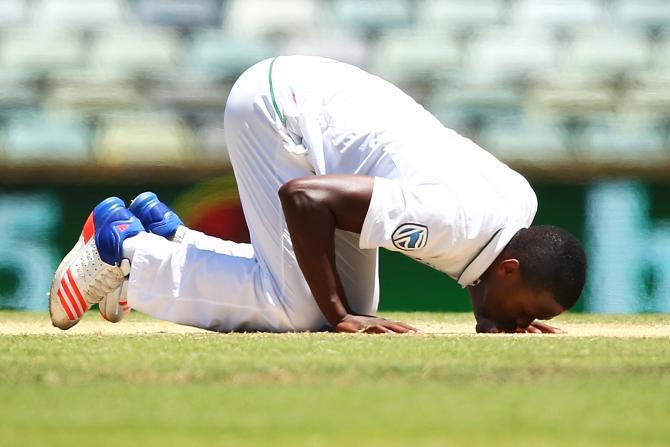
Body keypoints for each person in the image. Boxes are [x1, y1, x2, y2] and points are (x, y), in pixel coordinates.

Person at [49, 56, 587, 334]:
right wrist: (336, 316)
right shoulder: (445, 219)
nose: (525, 323)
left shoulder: (519, 204)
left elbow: (484, 258)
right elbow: (303, 197)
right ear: (511, 270)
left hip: (323, 97)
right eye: (528, 312)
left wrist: (491, 314)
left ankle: (172, 240)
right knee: (307, 311)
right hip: (281, 110)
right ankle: (126, 254)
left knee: (353, 304)